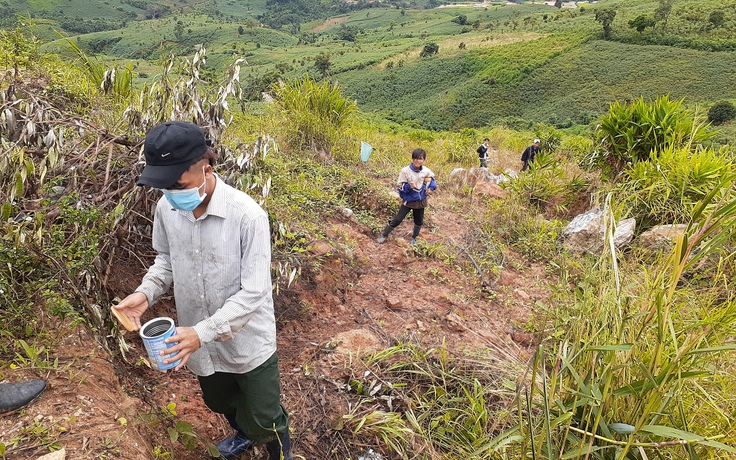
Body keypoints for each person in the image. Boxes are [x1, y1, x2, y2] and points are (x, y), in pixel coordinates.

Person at [112, 121, 291, 460]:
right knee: (218, 400)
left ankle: (277, 449)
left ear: (206, 170)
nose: (169, 194)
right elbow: (166, 259)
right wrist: (146, 292)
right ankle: (243, 434)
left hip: (247, 342)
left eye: (177, 184)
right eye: (162, 187)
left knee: (265, 416)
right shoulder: (167, 208)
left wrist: (202, 333)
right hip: (197, 338)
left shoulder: (248, 217)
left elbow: (254, 293)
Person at [376, 148, 437, 245]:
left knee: (419, 221)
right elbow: (399, 186)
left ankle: (414, 238)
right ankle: (384, 234)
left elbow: (432, 180)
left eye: (420, 159)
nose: (418, 161)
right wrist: (408, 186)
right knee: (398, 219)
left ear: (424, 160)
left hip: (420, 201)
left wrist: (431, 188)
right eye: (416, 158)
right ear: (412, 159)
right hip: (408, 201)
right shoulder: (405, 171)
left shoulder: (426, 171)